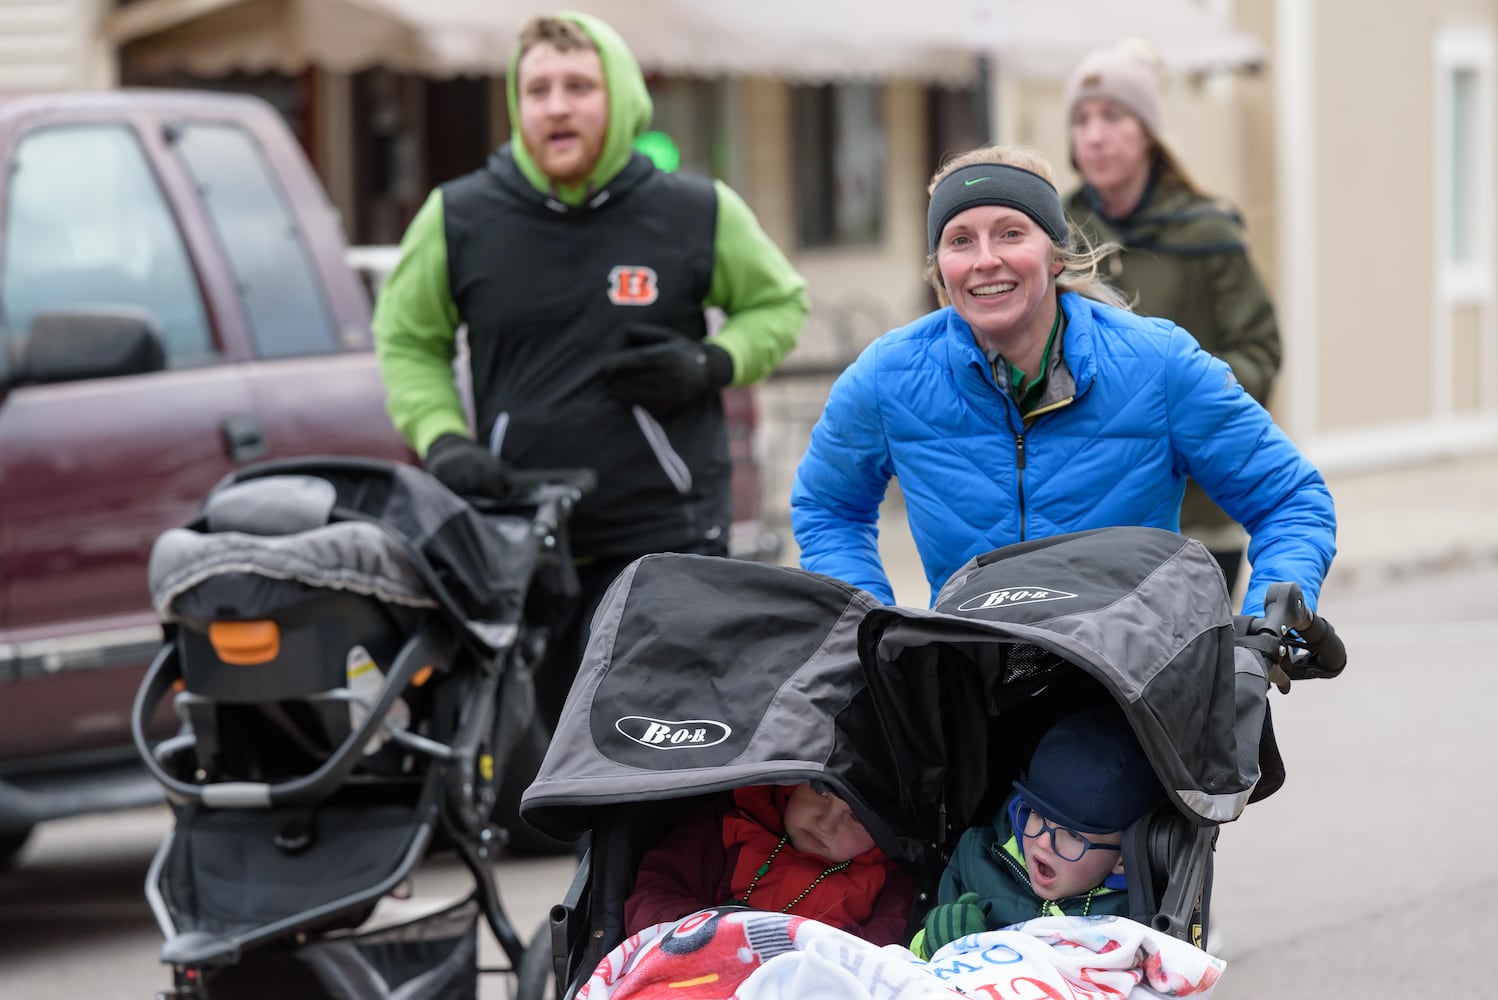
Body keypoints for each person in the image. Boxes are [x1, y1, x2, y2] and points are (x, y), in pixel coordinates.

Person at [373, 13, 808, 728]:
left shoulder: (695, 210)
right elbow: (406, 339)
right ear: (518, 107)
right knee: (549, 767)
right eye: (538, 89)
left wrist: (710, 362)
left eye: (579, 86)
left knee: (657, 743)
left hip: (665, 522)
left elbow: (779, 304)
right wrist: (443, 438)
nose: (557, 105)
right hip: (526, 532)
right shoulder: (458, 217)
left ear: (623, 99)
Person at [788, 143, 1334, 617]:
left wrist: (1273, 621)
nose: (985, 260)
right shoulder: (889, 376)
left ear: (1055, 254)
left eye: (1010, 233)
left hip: (1135, 683)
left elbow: (1290, 497)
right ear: (939, 268)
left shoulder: (1157, 363)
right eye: (960, 241)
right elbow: (827, 505)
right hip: (972, 688)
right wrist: (871, 627)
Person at [1063, 42, 1281, 596]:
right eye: (1081, 120)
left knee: (1188, 677)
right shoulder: (1052, 234)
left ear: (1148, 133)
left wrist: (1178, 399)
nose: (1094, 135)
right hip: (1091, 510)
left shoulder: (1206, 234)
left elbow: (1259, 350)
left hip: (1199, 514)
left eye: (1113, 116)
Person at [909, 708, 1165, 959]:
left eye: (1073, 835)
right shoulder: (978, 860)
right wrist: (932, 943)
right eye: (1037, 815)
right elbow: (910, 964)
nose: (1043, 842)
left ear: (1123, 859)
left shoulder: (1134, 913)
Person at [624, 782, 916, 946]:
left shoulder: (886, 881)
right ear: (793, 785)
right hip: (697, 966)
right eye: (819, 793)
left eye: (856, 817)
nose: (825, 824)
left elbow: (880, 955)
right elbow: (657, 891)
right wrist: (710, 935)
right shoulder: (736, 823)